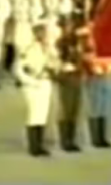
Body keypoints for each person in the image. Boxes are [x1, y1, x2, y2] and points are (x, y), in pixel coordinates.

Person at [13, 22, 56, 157]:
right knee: (34, 114)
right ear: (36, 34)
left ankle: (40, 145)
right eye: (41, 32)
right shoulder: (29, 49)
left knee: (42, 115)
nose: (44, 35)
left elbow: (53, 63)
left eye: (45, 33)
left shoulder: (48, 48)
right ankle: (33, 146)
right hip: (33, 85)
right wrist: (31, 82)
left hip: (45, 83)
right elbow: (18, 69)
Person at [55, 18, 86, 152]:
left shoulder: (76, 41)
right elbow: (57, 60)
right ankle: (65, 141)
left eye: (71, 26)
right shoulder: (60, 43)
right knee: (66, 109)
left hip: (76, 76)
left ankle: (71, 139)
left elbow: (80, 56)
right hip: (66, 77)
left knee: (74, 109)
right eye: (67, 26)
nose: (70, 29)